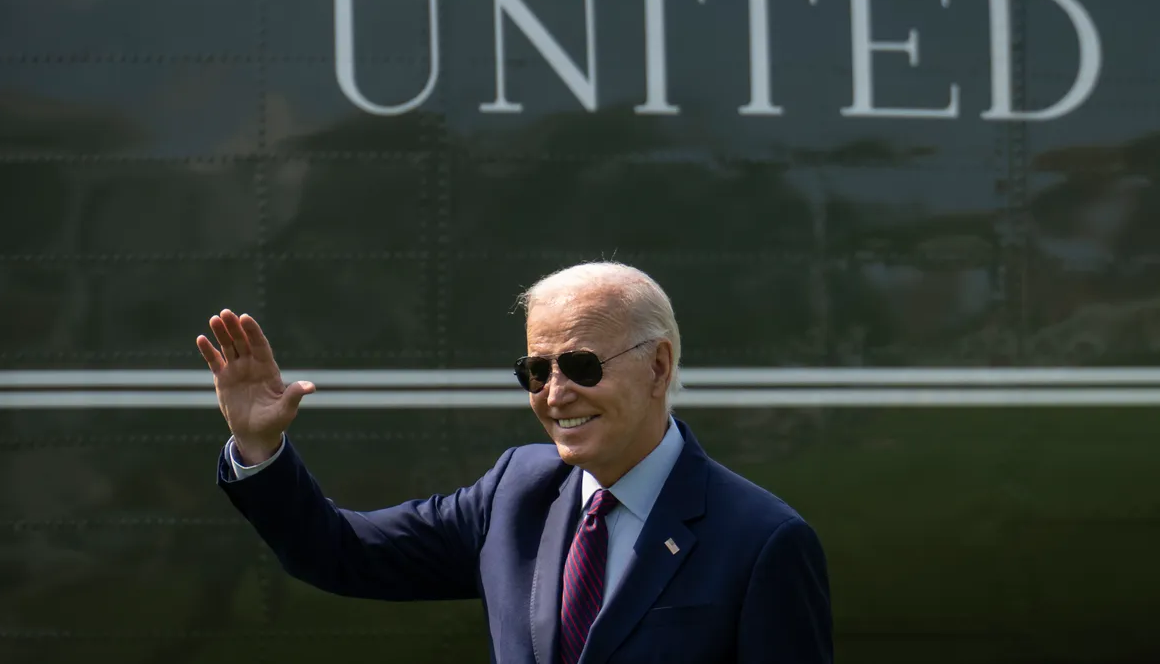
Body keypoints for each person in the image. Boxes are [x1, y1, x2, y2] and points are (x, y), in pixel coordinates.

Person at [199, 261, 833, 664]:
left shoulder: (762, 543)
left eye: (582, 366)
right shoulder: (517, 493)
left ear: (659, 367)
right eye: (536, 371)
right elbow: (338, 552)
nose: (556, 394)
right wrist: (261, 449)